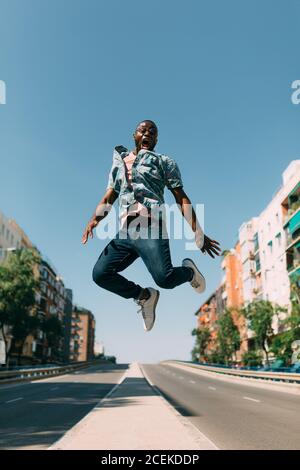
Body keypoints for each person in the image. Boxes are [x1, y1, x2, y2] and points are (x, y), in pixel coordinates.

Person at [82, 120, 221, 331]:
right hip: (125, 232)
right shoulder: (120, 163)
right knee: (100, 274)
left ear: (156, 140)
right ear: (134, 135)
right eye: (142, 130)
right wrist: (95, 219)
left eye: (152, 132)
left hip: (151, 227)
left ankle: (189, 272)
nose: (147, 133)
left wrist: (198, 232)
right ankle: (144, 296)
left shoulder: (165, 162)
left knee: (164, 279)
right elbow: (110, 195)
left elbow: (181, 198)